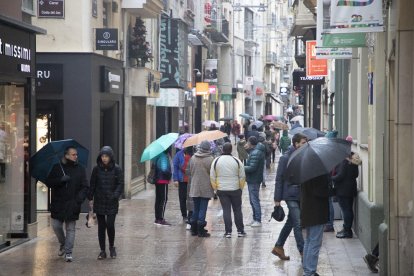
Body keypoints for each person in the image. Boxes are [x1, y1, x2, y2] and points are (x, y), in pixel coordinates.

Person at [45, 146, 88, 262]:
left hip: (72, 204)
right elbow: (48, 182)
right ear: (66, 155)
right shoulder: (57, 168)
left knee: (70, 228)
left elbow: (85, 187)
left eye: (76, 154)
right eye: (73, 154)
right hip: (58, 203)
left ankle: (68, 251)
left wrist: (78, 199)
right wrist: (60, 180)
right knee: (56, 226)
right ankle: (63, 244)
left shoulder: (80, 169)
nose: (76, 156)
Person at [272, 133, 307, 260]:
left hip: (301, 195)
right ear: (296, 143)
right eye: (303, 143)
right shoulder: (285, 158)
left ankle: (278, 246)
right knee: (298, 222)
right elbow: (279, 179)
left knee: (291, 221)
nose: (305, 145)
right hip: (290, 195)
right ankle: (303, 252)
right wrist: (277, 200)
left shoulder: (303, 156)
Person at [88, 146, 124, 260]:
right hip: (99, 201)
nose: (104, 158)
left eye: (106, 156)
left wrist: (115, 195)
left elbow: (120, 184)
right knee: (101, 227)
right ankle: (102, 250)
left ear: (110, 157)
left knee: (110, 225)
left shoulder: (117, 169)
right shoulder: (96, 169)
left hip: (112, 202)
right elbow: (92, 184)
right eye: (102, 156)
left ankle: (112, 247)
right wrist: (90, 198)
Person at [210, 143, 246, 238]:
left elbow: (212, 177)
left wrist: (216, 189)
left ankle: (228, 232)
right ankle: (240, 231)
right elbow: (242, 176)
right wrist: (240, 188)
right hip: (235, 189)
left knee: (226, 210)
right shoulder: (237, 161)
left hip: (222, 189)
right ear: (231, 150)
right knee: (237, 210)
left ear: (222, 150)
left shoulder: (216, 161)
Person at [301, 174, 330, 276]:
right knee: (314, 242)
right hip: (316, 212)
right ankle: (310, 271)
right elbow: (320, 192)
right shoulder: (318, 173)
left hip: (308, 211)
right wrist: (332, 190)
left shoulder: (306, 171)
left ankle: (307, 269)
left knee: (309, 241)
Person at [332, 136, 360, 239]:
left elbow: (340, 175)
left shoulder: (344, 160)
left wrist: (331, 178)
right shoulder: (353, 158)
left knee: (346, 210)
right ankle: (346, 229)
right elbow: (356, 174)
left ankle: (347, 231)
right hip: (351, 188)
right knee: (348, 209)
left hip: (343, 190)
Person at [188, 140, 214, 237]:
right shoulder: (211, 159)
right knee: (203, 209)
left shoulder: (193, 158)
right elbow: (213, 173)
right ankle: (200, 229)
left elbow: (190, 171)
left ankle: (193, 229)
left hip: (195, 187)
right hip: (206, 187)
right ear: (208, 148)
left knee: (196, 208)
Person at [244, 136, 265, 227]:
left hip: (254, 179)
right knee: (252, 200)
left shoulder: (256, 152)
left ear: (251, 143)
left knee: (254, 200)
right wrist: (247, 150)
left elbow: (252, 167)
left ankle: (258, 219)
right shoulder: (255, 151)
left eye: (248, 142)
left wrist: (241, 167)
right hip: (253, 179)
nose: (246, 144)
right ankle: (255, 218)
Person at [324, 130, 339, 233]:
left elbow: (331, 168)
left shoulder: (331, 152)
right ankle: (328, 223)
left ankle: (329, 224)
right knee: (328, 203)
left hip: (328, 181)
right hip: (329, 180)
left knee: (329, 203)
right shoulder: (333, 151)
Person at [173, 146, 193, 220]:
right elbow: (175, 167)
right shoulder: (179, 154)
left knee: (191, 198)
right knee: (182, 198)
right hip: (182, 180)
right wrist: (175, 179)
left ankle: (191, 214)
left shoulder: (193, 154)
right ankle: (184, 215)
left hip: (191, 180)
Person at [153, 148, 172, 226]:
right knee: (163, 199)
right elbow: (164, 169)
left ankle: (157, 218)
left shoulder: (158, 156)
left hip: (158, 180)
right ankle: (160, 218)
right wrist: (169, 173)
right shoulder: (163, 157)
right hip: (162, 180)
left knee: (158, 199)